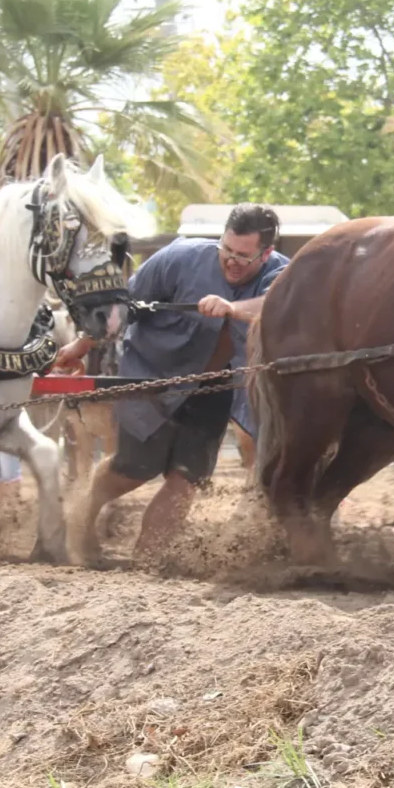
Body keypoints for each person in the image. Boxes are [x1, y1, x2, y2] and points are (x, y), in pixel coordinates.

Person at [81, 204, 289, 556]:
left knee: (186, 479)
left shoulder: (283, 274)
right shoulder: (179, 258)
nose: (232, 260)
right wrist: (79, 345)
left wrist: (232, 308)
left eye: (243, 256)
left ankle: (147, 560)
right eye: (227, 250)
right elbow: (122, 307)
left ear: (266, 253)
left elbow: (273, 306)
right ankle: (79, 518)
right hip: (151, 376)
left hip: (215, 389)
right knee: (133, 470)